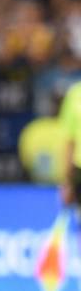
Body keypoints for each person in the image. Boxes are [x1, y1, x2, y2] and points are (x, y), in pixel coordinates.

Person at [60, 81, 81, 210]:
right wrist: (68, 182)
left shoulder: (75, 93)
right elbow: (69, 141)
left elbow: (69, 141)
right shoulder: (74, 94)